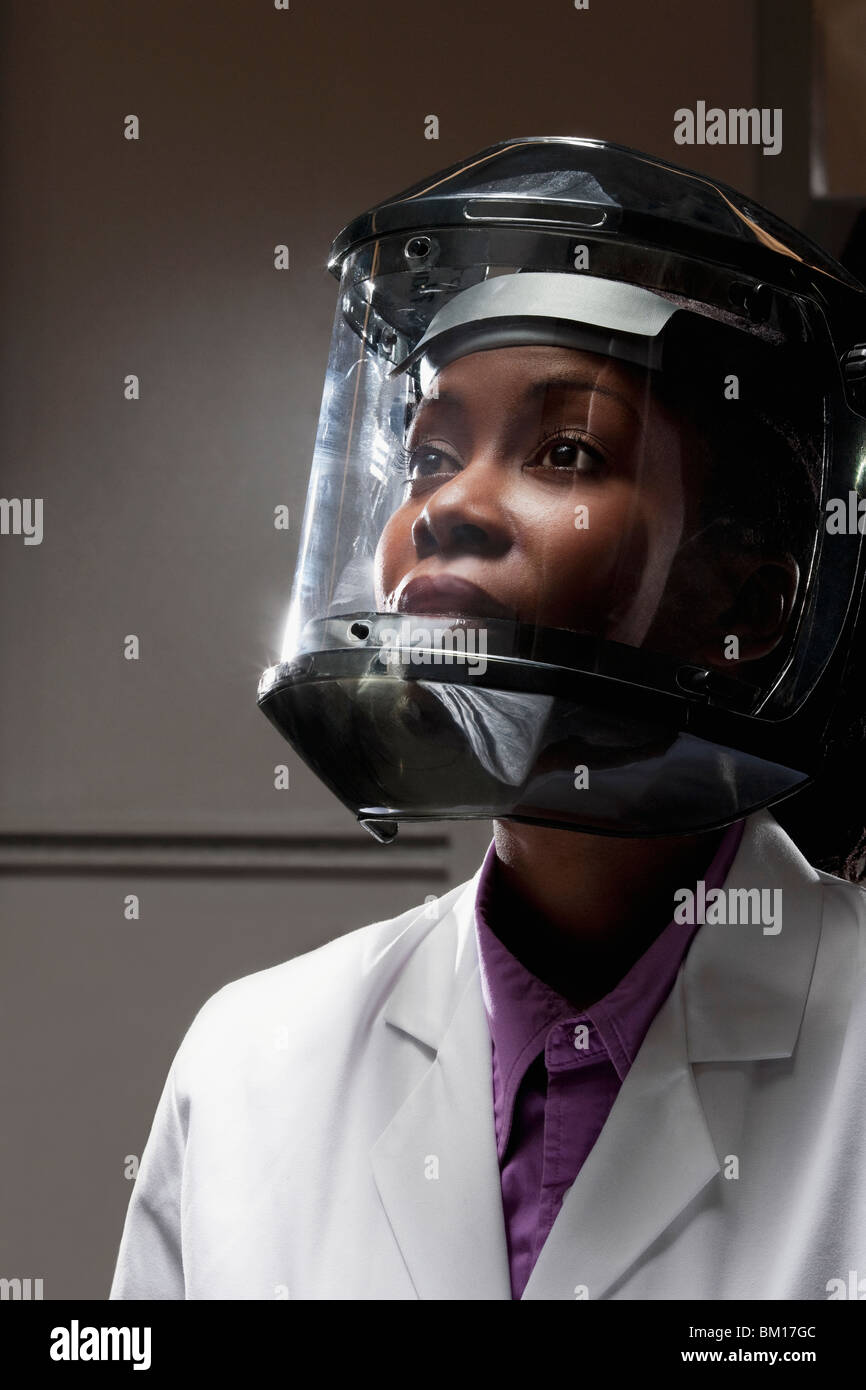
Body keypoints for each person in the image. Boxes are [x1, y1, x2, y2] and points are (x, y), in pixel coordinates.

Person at [110, 137, 866, 1300]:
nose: (450, 504)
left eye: (564, 450)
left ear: (749, 602)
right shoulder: (250, 1063)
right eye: (427, 455)